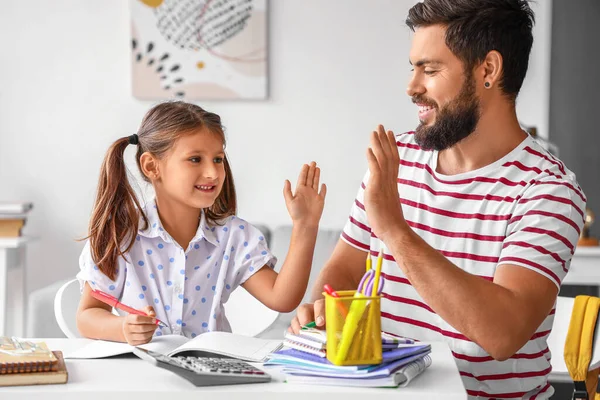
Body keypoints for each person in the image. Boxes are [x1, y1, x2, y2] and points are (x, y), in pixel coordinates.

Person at [290, 1, 585, 398]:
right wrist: (321, 308)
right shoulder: (400, 157)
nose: (411, 86)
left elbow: (502, 334)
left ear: (488, 70)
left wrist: (394, 229)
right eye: (413, 68)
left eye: (429, 70)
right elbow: (345, 267)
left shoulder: (548, 191)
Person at [76, 101, 327, 346]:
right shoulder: (120, 235)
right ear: (152, 166)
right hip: (142, 374)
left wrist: (305, 226)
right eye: (195, 159)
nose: (213, 172)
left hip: (212, 377)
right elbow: (87, 315)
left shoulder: (234, 236)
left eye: (217, 159)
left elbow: (282, 299)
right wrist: (122, 328)